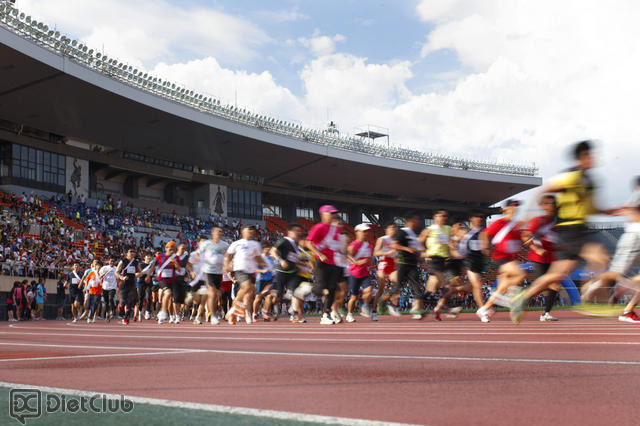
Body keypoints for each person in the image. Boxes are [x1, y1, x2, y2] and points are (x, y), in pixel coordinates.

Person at [511, 140, 613, 323]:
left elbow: (592, 208)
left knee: (556, 275)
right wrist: (526, 217)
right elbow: (545, 190)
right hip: (572, 229)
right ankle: (590, 301)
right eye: (591, 154)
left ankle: (522, 298)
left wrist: (610, 211)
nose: (594, 158)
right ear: (582, 157)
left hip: (575, 230)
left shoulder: (588, 181)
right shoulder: (572, 177)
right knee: (600, 257)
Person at [476, 199, 525, 323]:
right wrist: (485, 247)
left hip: (511, 258)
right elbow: (484, 234)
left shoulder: (516, 225)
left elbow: (521, 239)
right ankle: (509, 300)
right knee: (521, 274)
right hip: (501, 257)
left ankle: (484, 309)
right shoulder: (500, 222)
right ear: (505, 209)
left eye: (516, 207)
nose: (514, 209)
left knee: (502, 288)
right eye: (512, 207)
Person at [522, 195, 560, 321]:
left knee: (554, 285)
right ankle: (521, 297)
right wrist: (537, 249)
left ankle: (546, 313)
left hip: (552, 259)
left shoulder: (558, 222)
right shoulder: (538, 221)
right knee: (542, 286)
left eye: (554, 204)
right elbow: (525, 236)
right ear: (543, 207)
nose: (552, 207)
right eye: (549, 204)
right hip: (538, 259)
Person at [303, 205, 343, 325]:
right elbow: (308, 243)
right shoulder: (318, 227)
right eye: (330, 213)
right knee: (320, 288)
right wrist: (319, 254)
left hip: (333, 262)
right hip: (321, 262)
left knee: (332, 289)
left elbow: (335, 245)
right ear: (323, 214)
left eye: (334, 213)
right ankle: (307, 288)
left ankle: (326, 315)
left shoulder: (335, 229)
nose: (333, 215)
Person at [389, 212, 426, 319]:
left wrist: (423, 254)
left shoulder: (414, 234)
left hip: (413, 265)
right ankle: (386, 303)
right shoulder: (403, 232)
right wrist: (407, 249)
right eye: (416, 219)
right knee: (398, 286)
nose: (419, 222)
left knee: (417, 287)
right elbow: (394, 245)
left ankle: (417, 310)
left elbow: (418, 251)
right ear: (410, 220)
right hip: (403, 264)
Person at [224, 225, 263, 324]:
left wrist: (265, 264)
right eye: (248, 229)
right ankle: (234, 311)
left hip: (252, 271)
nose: (250, 231)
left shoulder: (256, 244)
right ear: (242, 231)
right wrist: (227, 265)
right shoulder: (237, 243)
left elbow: (259, 259)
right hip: (240, 269)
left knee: (249, 295)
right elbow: (228, 255)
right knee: (246, 287)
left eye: (252, 230)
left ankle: (236, 312)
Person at [419, 210, 452, 314]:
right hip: (433, 258)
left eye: (445, 216)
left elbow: (451, 242)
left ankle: (418, 304)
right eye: (441, 215)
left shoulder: (448, 229)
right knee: (447, 285)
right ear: (435, 217)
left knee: (431, 288)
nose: (443, 217)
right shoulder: (429, 229)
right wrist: (423, 252)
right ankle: (442, 306)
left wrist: (452, 246)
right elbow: (418, 242)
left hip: (444, 260)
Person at [272, 223, 305, 322]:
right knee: (279, 296)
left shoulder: (297, 244)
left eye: (299, 231)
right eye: (296, 230)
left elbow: (295, 258)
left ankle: (294, 314)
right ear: (289, 232)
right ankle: (273, 306)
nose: (298, 233)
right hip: (282, 271)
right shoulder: (283, 241)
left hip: (293, 272)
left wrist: (305, 265)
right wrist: (281, 260)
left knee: (295, 292)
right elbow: (273, 251)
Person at [346, 224, 375, 322]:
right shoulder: (353, 245)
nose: (365, 233)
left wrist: (370, 265)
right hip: (354, 274)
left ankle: (364, 306)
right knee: (354, 297)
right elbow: (347, 256)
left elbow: (369, 258)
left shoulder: (370, 245)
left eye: (367, 231)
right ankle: (349, 314)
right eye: (363, 231)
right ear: (357, 232)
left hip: (365, 273)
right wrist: (356, 262)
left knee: (369, 289)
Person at [200, 227, 228, 325]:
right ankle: (213, 316)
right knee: (212, 293)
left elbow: (228, 256)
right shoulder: (206, 244)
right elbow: (198, 255)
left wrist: (226, 265)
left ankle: (211, 311)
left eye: (221, 231)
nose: (220, 233)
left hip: (219, 273)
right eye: (217, 231)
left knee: (216, 295)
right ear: (212, 233)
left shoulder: (225, 245)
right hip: (208, 272)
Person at [149, 241, 180, 324]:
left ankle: (162, 316)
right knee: (167, 292)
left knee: (170, 298)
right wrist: (148, 276)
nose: (171, 250)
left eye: (173, 249)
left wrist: (175, 262)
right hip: (162, 280)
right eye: (170, 248)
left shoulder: (176, 257)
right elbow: (153, 266)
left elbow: (179, 270)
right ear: (166, 248)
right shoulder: (160, 256)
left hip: (172, 280)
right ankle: (163, 312)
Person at [373, 222, 398, 315]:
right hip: (383, 264)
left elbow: (397, 257)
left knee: (397, 284)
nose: (394, 229)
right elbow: (375, 253)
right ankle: (374, 311)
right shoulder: (382, 239)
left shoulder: (396, 242)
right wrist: (388, 252)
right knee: (380, 289)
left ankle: (391, 305)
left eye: (395, 228)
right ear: (386, 230)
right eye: (391, 228)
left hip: (393, 265)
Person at [116, 248, 142, 325]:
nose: (132, 253)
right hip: (123, 284)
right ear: (126, 253)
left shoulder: (136, 262)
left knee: (130, 303)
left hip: (132, 285)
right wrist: (122, 277)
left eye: (133, 252)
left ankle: (126, 319)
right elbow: (116, 272)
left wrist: (138, 274)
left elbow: (139, 272)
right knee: (123, 302)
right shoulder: (122, 261)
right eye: (130, 251)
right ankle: (121, 310)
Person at [254, 243, 276, 321]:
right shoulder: (260, 258)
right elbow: (254, 268)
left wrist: (274, 274)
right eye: (267, 248)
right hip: (261, 279)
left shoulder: (271, 258)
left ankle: (264, 313)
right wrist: (262, 270)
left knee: (269, 296)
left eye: (269, 248)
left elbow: (273, 269)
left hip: (269, 279)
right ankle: (254, 314)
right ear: (263, 249)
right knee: (258, 298)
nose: (269, 250)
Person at [99, 257, 119, 322]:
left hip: (113, 287)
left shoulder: (116, 268)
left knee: (111, 298)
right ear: (108, 261)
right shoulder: (104, 268)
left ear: (115, 262)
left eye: (113, 261)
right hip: (105, 287)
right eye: (111, 261)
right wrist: (104, 273)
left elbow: (118, 277)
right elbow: (99, 277)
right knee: (106, 302)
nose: (112, 262)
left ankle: (112, 311)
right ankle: (107, 315)